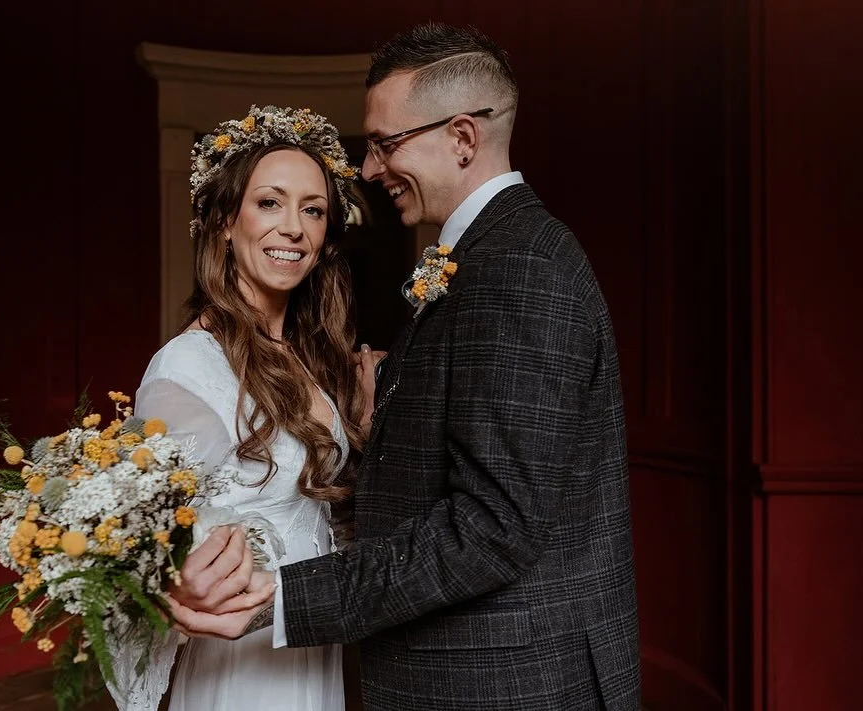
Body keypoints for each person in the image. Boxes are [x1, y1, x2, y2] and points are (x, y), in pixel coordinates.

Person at [167, 22, 642, 711]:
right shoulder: (487, 256)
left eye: (386, 145)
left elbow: (491, 528)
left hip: (509, 686)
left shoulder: (517, 267)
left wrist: (288, 598)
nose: (368, 169)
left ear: (462, 137)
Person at [107, 104, 367, 710]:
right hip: (242, 667)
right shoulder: (189, 367)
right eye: (270, 203)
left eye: (313, 209)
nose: (294, 228)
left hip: (308, 643)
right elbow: (148, 547)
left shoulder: (308, 356)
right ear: (226, 220)